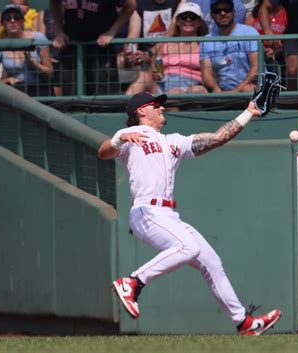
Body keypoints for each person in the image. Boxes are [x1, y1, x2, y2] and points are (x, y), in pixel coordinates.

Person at [97, 91, 281, 336]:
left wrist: (249, 112)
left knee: (212, 263)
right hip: (146, 211)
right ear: (141, 111)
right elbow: (102, 152)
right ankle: (132, 282)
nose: (162, 108)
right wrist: (120, 139)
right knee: (188, 248)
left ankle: (243, 322)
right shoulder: (130, 137)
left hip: (168, 215)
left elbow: (216, 138)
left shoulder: (173, 141)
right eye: (156, 105)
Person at [50, 0, 136, 96]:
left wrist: (112, 32)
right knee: (71, 97)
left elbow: (130, 5)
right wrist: (59, 30)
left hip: (100, 46)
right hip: (72, 45)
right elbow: (53, 2)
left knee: (103, 97)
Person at [0, 5, 53, 97]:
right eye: (7, 19)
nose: (12, 21)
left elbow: (49, 74)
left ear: (22, 21)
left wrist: (32, 63)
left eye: (17, 18)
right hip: (14, 91)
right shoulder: (0, 45)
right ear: (3, 23)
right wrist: (4, 81)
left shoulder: (38, 38)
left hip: (38, 88)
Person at [123, 0, 181, 95]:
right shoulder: (138, 4)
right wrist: (131, 51)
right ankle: (127, 107)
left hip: (168, 56)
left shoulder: (177, 2)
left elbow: (171, 32)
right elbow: (133, 35)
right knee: (139, 76)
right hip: (145, 61)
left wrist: (149, 54)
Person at [200, 0, 259, 93]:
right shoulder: (206, 41)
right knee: (196, 90)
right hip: (222, 89)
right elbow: (206, 74)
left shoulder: (249, 32)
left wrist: (236, 90)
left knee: (249, 89)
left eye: (227, 9)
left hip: (250, 85)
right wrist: (216, 88)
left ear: (233, 12)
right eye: (217, 11)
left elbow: (256, 67)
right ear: (212, 15)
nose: (223, 13)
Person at [152, 2, 208, 94]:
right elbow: (154, 67)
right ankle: (123, 107)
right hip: (164, 82)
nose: (188, 20)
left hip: (193, 83)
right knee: (142, 77)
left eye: (193, 18)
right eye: (184, 17)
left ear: (199, 23)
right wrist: (156, 74)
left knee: (178, 92)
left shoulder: (205, 44)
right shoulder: (166, 43)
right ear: (177, 21)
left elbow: (210, 72)